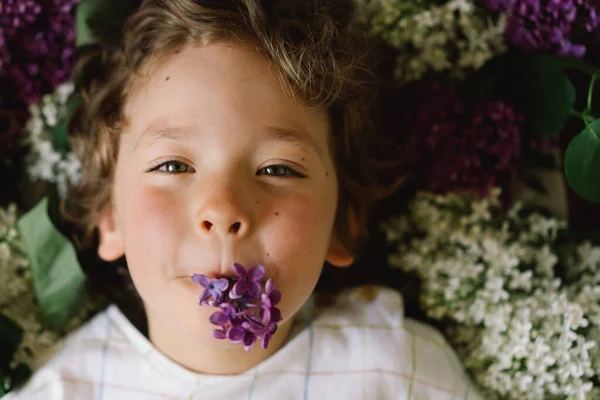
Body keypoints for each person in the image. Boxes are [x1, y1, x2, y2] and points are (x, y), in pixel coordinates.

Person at [3, 0, 482, 398]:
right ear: (109, 216)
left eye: (278, 169)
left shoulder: (402, 370)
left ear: (344, 222)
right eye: (173, 166)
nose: (223, 210)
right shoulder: (60, 391)